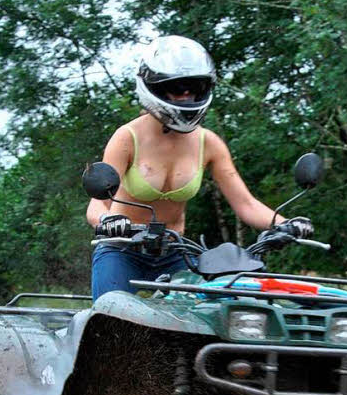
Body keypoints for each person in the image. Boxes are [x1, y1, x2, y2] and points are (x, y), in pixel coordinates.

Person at [86, 35, 313, 299]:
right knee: (111, 324)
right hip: (121, 248)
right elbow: (97, 204)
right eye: (177, 87)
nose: (186, 95)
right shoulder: (127, 137)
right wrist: (109, 220)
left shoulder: (209, 143)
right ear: (153, 87)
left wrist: (286, 224)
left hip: (176, 251)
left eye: (193, 88)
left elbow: (246, 204)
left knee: (214, 316)